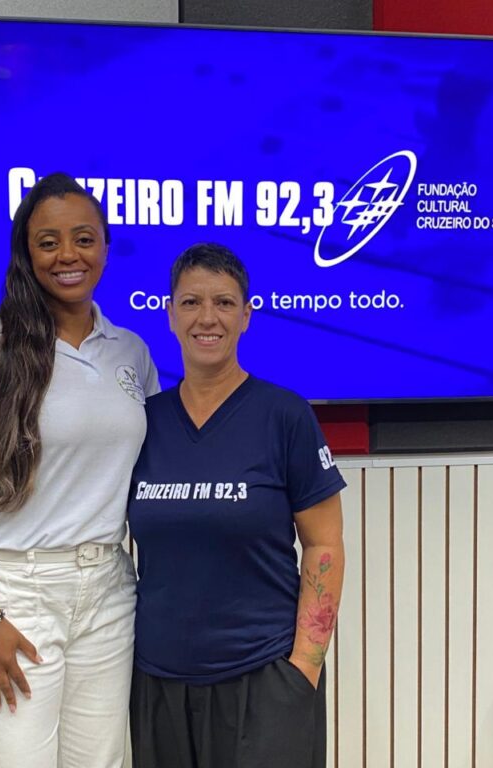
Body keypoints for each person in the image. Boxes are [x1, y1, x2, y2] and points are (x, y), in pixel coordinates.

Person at [0, 172, 158, 767]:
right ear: (26, 253)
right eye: (48, 242)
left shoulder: (130, 351)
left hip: (108, 589)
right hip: (15, 592)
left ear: (106, 246)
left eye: (84, 238)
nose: (68, 255)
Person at [128, 243, 345, 768]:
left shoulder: (285, 416)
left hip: (264, 680)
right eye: (191, 302)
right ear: (170, 314)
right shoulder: (141, 422)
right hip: (159, 683)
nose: (208, 318)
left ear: (246, 316)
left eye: (224, 303)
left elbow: (324, 544)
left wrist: (304, 669)